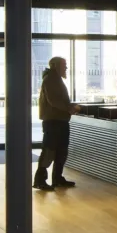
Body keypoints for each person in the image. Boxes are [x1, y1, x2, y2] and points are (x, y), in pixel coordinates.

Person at [34, 56, 79, 191]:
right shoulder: (50, 80)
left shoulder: (55, 79)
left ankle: (57, 178)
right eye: (63, 65)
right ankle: (40, 180)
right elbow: (53, 101)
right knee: (49, 151)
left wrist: (69, 108)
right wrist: (69, 108)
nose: (66, 67)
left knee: (61, 151)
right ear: (55, 66)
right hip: (53, 122)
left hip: (60, 121)